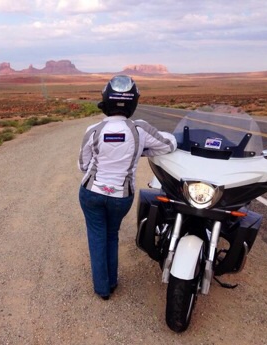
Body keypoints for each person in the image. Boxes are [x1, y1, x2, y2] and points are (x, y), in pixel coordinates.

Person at [78, 75, 177, 300]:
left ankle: (102, 289)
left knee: (96, 236)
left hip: (91, 193)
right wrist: (142, 150)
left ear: (106, 101)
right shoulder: (139, 130)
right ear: (133, 102)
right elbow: (168, 145)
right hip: (121, 197)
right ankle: (112, 282)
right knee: (112, 235)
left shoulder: (93, 130)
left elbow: (83, 165)